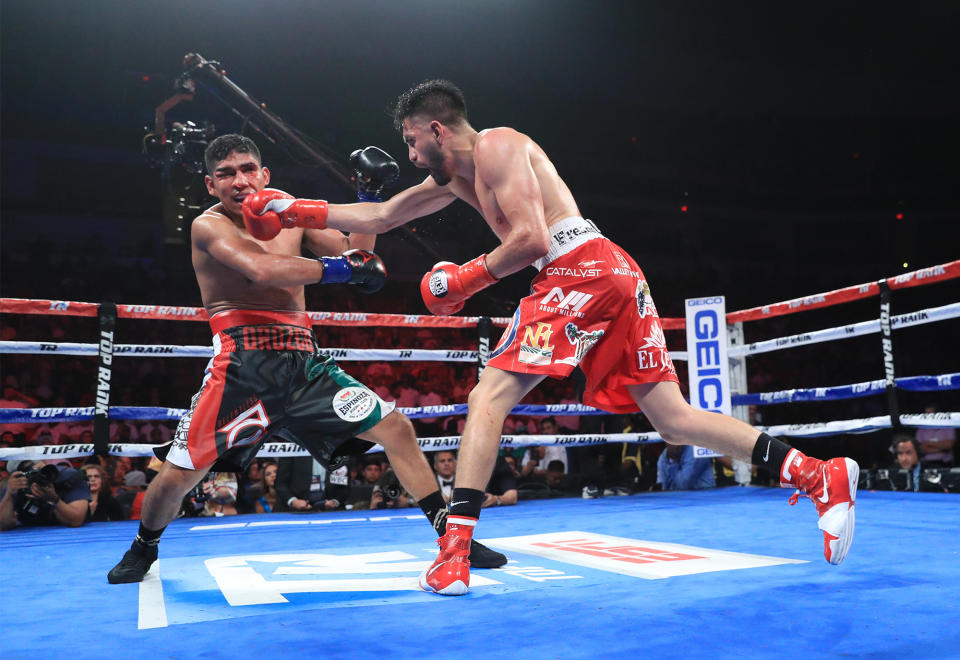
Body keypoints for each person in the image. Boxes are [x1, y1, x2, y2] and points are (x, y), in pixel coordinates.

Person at [241, 81, 858, 595]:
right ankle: (814, 471)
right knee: (671, 419)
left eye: (409, 141)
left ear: (435, 129)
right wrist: (292, 209)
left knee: (489, 397)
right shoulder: (456, 180)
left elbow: (533, 239)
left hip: (577, 267)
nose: (408, 156)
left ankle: (454, 551)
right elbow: (379, 217)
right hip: (609, 269)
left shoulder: (500, 146)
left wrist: (466, 280)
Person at [106, 134, 504, 584]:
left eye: (248, 169)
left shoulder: (290, 212)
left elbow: (355, 255)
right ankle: (145, 547)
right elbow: (261, 269)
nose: (240, 180)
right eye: (226, 173)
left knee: (396, 428)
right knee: (180, 474)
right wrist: (343, 271)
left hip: (304, 363)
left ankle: (453, 539)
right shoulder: (207, 226)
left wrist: (367, 197)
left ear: (264, 174)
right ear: (210, 184)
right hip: (242, 367)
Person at [0, 459, 89, 530]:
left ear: (44, 463)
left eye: (35, 470)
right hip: (31, 535)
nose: (33, 476)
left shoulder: (69, 477)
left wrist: (54, 499)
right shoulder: (15, 484)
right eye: (27, 473)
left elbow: (76, 520)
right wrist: (9, 495)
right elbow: (2, 525)